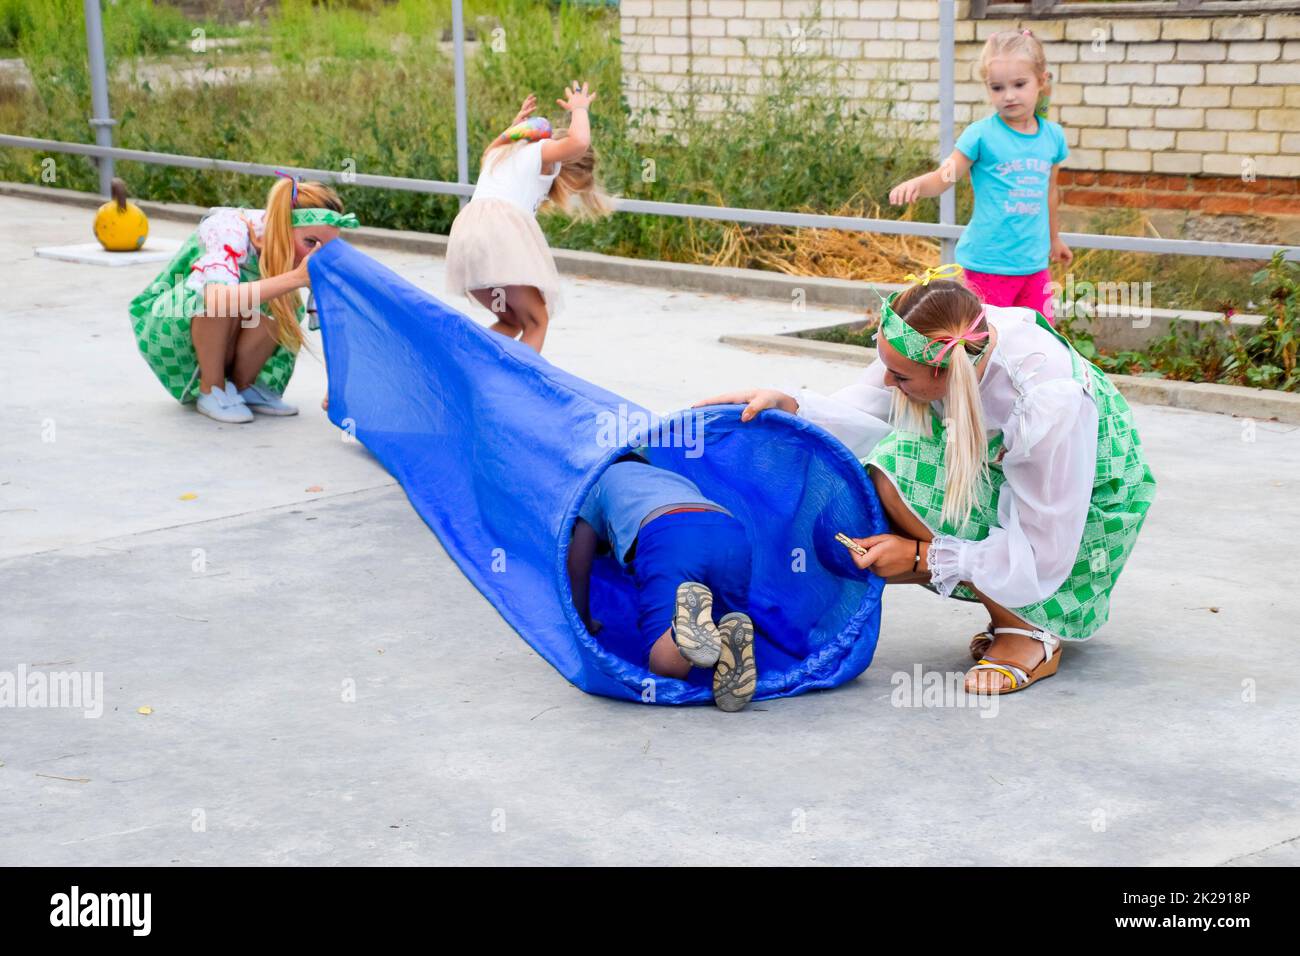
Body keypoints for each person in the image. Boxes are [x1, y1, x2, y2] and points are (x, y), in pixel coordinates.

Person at [696, 267, 1156, 696]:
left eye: (901, 376)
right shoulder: (952, 337)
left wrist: (921, 557)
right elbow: (864, 407)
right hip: (1016, 481)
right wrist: (790, 405)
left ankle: (1027, 630)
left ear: (945, 370)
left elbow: (1043, 550)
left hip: (1081, 516)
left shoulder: (1043, 400)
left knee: (896, 469)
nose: (890, 384)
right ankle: (772, 612)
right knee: (866, 495)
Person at [128, 174, 358, 423]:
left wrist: (337, 385)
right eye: (310, 241)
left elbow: (334, 322)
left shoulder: (303, 251)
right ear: (282, 229)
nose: (318, 252)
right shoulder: (228, 229)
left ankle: (241, 387)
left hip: (231, 332)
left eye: (327, 246)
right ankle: (211, 388)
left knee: (284, 304)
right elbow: (215, 300)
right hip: (172, 327)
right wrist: (295, 279)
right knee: (217, 299)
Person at [889, 29, 1071, 323]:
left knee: (1040, 337)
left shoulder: (1053, 136)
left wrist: (1055, 239)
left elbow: (1050, 193)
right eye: (997, 88)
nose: (1009, 95)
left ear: (1041, 80)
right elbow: (945, 175)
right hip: (987, 266)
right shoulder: (981, 135)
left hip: (1034, 267)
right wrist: (919, 184)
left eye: (1019, 84)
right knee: (985, 339)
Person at [567, 455, 757, 711]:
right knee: (725, 623)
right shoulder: (671, 477)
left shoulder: (597, 480)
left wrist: (583, 622)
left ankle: (680, 630)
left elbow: (577, 563)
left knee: (664, 670)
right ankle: (726, 642)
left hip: (669, 534)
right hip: (729, 531)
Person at [445, 83, 613, 352]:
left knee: (511, 320)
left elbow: (504, 140)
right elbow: (579, 142)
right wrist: (580, 109)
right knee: (537, 321)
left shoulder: (496, 154)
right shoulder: (542, 153)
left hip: (466, 242)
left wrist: (515, 127)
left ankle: (465, 363)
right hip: (498, 235)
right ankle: (514, 390)